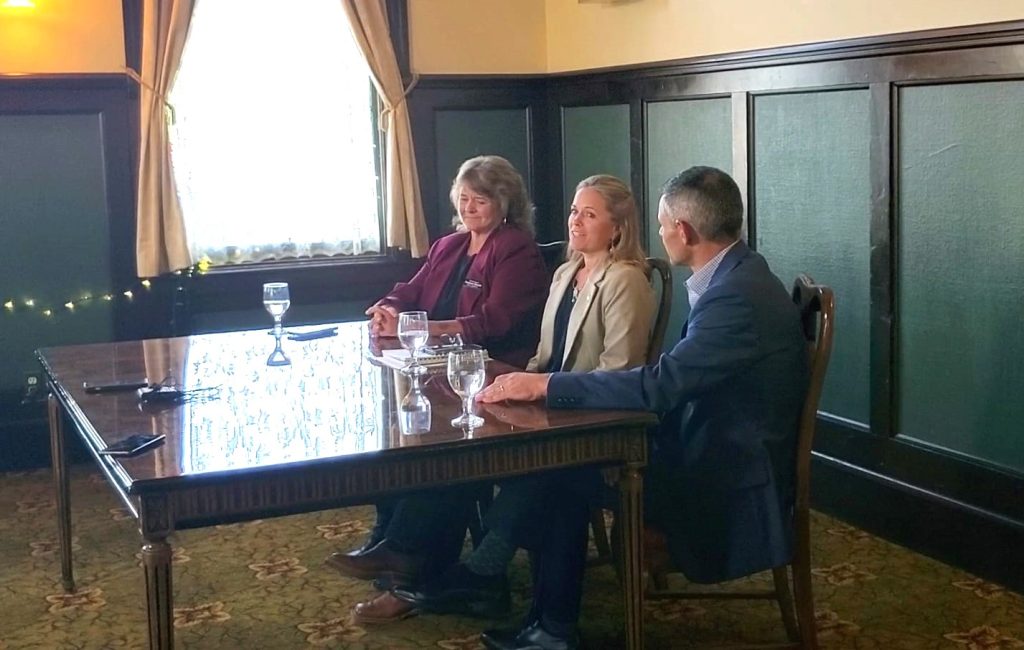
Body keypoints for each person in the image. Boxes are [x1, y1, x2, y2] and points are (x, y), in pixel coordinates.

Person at [466, 166, 809, 650]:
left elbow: (660, 387)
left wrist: (547, 386)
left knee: (558, 470)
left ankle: (532, 608)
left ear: (685, 232)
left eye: (665, 224)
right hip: (710, 442)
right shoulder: (742, 274)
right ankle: (545, 621)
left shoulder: (734, 297)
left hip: (726, 474)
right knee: (558, 467)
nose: (662, 233)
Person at [345, 174, 656, 625]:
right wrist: (513, 387)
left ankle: (460, 570)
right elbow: (545, 356)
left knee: (478, 449)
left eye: (590, 215)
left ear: (618, 228)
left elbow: (619, 375)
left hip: (590, 417)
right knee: (454, 437)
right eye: (573, 211)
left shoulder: (625, 280)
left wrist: (539, 389)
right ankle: (413, 557)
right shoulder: (568, 272)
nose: (575, 221)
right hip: (547, 400)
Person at [325, 155, 548, 619]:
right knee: (397, 437)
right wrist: (388, 307)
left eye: (480, 200)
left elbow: (497, 321)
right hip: (434, 372)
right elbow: (408, 291)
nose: (469, 208)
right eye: (463, 198)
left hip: (493, 373)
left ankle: (405, 566)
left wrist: (436, 328)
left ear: (503, 203)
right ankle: (390, 546)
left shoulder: (515, 248)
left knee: (440, 453)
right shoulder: (449, 245)